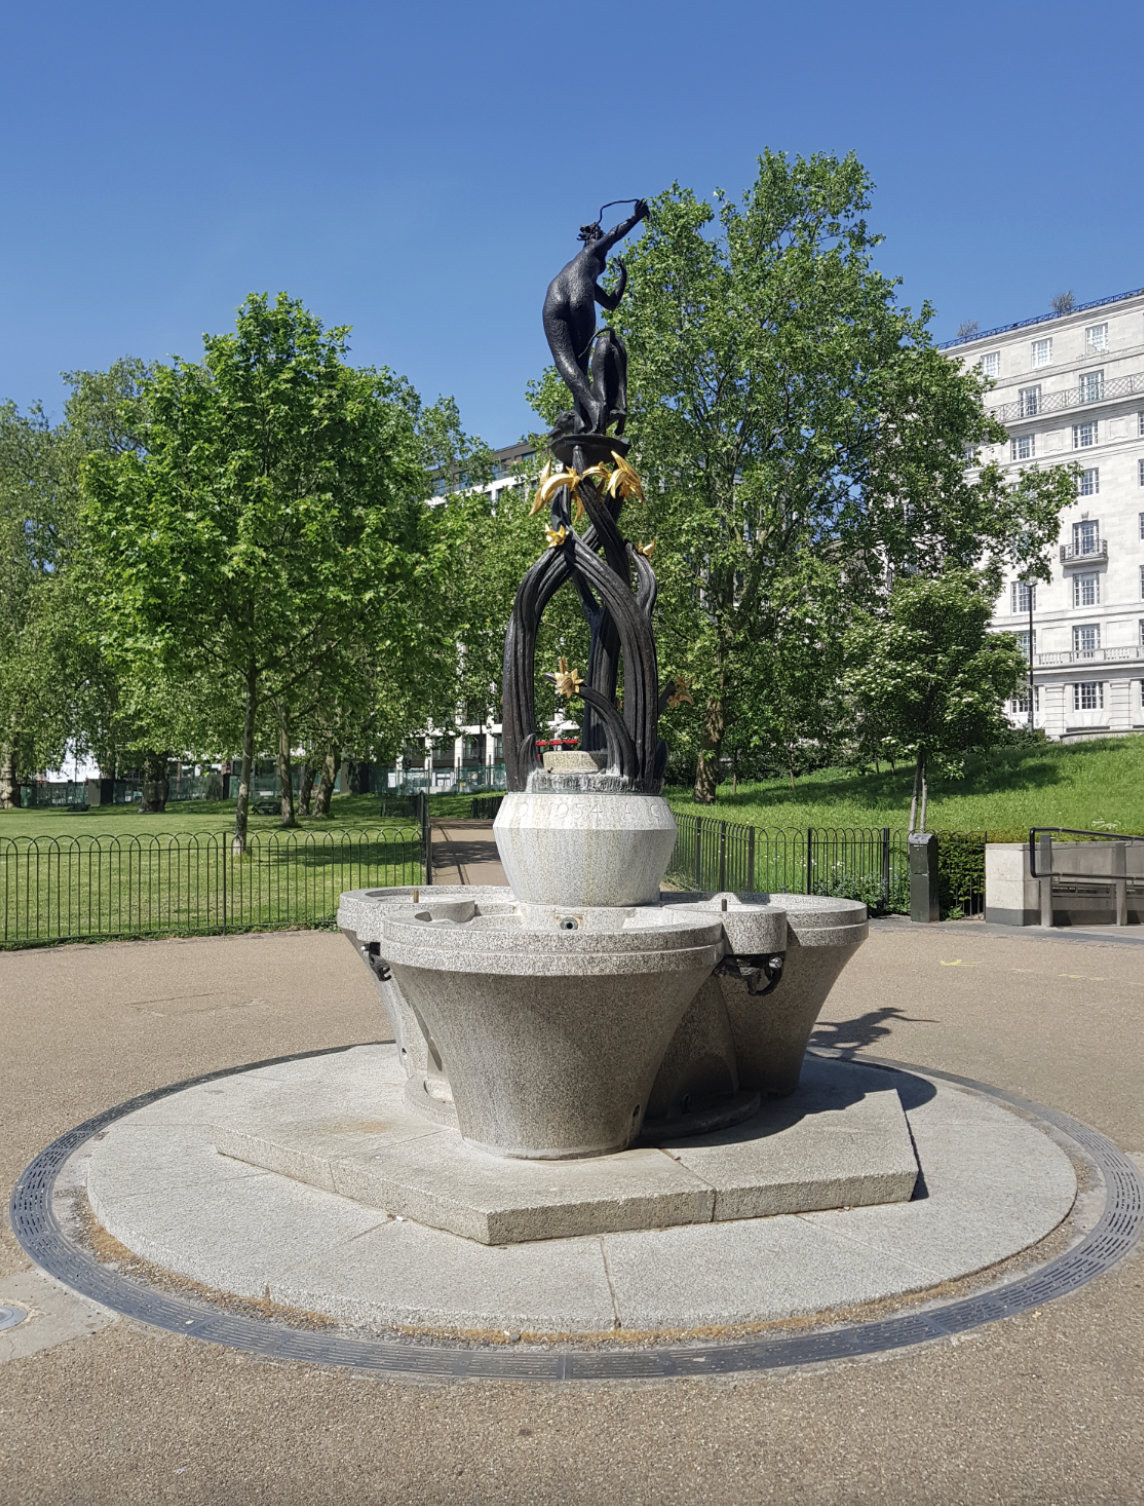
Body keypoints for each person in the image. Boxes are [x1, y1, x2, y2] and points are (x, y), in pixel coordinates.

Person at [542, 200, 649, 435]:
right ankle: (593, 410)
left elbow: (611, 303)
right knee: (577, 364)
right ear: (591, 240)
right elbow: (612, 235)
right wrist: (635, 218)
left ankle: (584, 420)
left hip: (555, 295)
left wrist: (624, 278)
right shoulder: (591, 251)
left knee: (567, 364)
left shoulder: (579, 270)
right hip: (579, 293)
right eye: (598, 237)